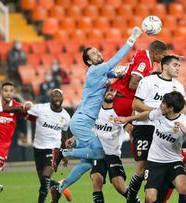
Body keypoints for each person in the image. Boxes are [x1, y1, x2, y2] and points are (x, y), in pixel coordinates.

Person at [51, 27, 142, 203]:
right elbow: (115, 61)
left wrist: (133, 66)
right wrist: (132, 38)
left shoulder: (100, 73)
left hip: (82, 121)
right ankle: (63, 152)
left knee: (87, 162)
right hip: (83, 120)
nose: (97, 53)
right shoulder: (95, 70)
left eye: (97, 50)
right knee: (99, 152)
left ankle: (59, 188)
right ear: (89, 61)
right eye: (93, 53)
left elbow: (117, 74)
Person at [115, 91, 186, 203]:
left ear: (171, 108)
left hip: (174, 162)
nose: (161, 104)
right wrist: (127, 119)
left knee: (183, 188)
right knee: (150, 198)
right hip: (154, 163)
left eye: (164, 103)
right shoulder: (159, 113)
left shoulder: (184, 122)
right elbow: (146, 115)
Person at [66, 87, 141, 203]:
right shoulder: (95, 111)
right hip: (97, 153)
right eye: (108, 89)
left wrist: (133, 134)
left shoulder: (118, 112)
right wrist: (74, 138)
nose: (110, 92)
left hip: (113, 154)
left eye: (113, 90)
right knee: (96, 180)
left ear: (116, 93)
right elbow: (89, 127)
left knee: (119, 186)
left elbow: (129, 128)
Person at [0, 82, 31, 203]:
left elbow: (26, 111)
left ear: (13, 93)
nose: (8, 93)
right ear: (1, 92)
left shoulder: (16, 106)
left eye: (11, 90)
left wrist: (28, 105)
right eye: (6, 90)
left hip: (0, 149)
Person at [25, 89, 72, 203]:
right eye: (54, 96)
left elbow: (64, 136)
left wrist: (65, 154)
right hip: (38, 149)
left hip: (53, 149)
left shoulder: (65, 116)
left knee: (45, 181)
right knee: (43, 181)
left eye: (59, 96)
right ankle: (59, 186)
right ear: (50, 98)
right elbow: (27, 109)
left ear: (62, 99)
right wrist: (27, 104)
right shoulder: (41, 108)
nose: (57, 98)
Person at [111, 40, 168, 117]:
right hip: (124, 99)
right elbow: (133, 84)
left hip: (124, 97)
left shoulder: (144, 54)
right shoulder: (145, 62)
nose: (164, 58)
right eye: (163, 56)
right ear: (155, 54)